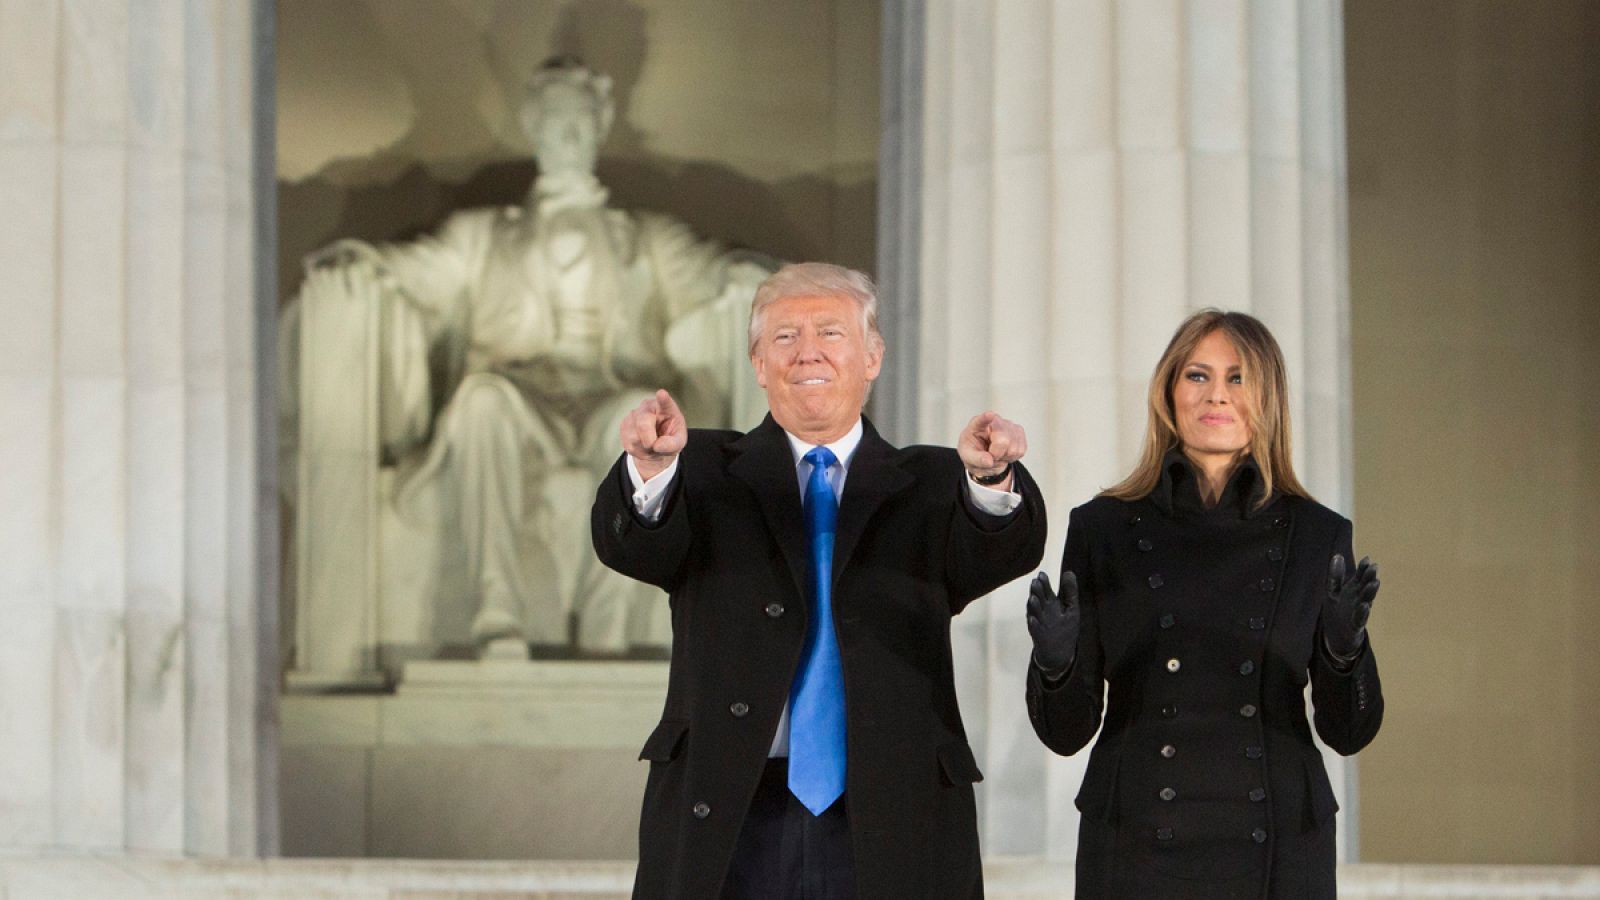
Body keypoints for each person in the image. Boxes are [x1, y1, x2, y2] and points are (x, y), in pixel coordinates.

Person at [285, 57, 771, 657]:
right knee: (480, 400)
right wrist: (359, 262)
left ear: (601, 125)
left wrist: (753, 277)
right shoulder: (482, 234)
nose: (566, 136)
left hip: (608, 392)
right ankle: (498, 613)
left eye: (580, 122)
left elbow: (714, 271)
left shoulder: (644, 237)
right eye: (554, 121)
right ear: (533, 127)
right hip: (517, 394)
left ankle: (606, 624)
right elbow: (413, 270)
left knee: (643, 416)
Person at [592, 263, 1048, 898]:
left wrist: (993, 482)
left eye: (830, 332)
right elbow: (634, 547)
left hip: (891, 812)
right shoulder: (701, 472)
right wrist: (648, 467)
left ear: (872, 356)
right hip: (733, 809)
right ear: (757, 362)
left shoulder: (935, 482)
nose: (807, 351)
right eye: (784, 337)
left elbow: (999, 553)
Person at [1024, 310, 1383, 898]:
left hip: (1279, 845)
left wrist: (1346, 655)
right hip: (1136, 839)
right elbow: (1067, 733)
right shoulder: (1102, 529)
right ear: (1169, 391)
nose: (1217, 394)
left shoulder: (1317, 534)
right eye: (1197, 375)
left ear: (1268, 396)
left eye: (1238, 378)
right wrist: (1056, 666)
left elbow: (1348, 732)